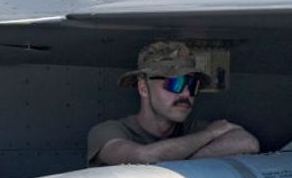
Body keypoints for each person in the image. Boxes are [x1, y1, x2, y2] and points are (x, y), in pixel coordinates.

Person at [87, 41, 258, 167]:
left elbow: (248, 143)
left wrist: (175, 158)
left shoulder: (191, 130)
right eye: (174, 84)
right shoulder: (108, 132)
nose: (185, 94)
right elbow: (143, 157)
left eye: (192, 85)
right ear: (143, 88)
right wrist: (209, 135)